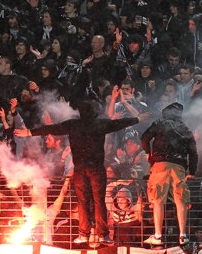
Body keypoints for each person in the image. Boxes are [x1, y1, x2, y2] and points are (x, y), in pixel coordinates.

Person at [15, 100, 151, 244]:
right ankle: (102, 234)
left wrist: (29, 132)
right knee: (99, 201)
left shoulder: (73, 125)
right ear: (94, 112)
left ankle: (84, 234)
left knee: (83, 201)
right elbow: (120, 123)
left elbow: (53, 128)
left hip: (80, 169)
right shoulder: (100, 124)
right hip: (96, 169)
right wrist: (138, 119)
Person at [141, 102, 197, 246]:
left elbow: (144, 137)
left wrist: (148, 153)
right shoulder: (185, 128)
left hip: (160, 164)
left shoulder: (160, 123)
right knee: (181, 200)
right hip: (179, 167)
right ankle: (183, 235)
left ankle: (158, 235)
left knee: (158, 199)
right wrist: (193, 171)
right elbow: (193, 152)